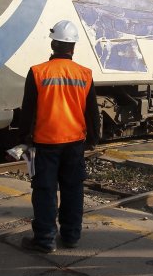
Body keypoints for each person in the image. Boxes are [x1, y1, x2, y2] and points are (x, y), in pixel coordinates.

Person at [17, 19, 101, 253]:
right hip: (75, 143)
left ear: (53, 44)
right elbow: (92, 111)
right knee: (73, 190)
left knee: (44, 191)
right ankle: (72, 236)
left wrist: (24, 137)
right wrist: (93, 138)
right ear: (72, 47)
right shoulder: (84, 74)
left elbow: (28, 110)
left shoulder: (38, 72)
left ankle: (44, 240)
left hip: (45, 143)